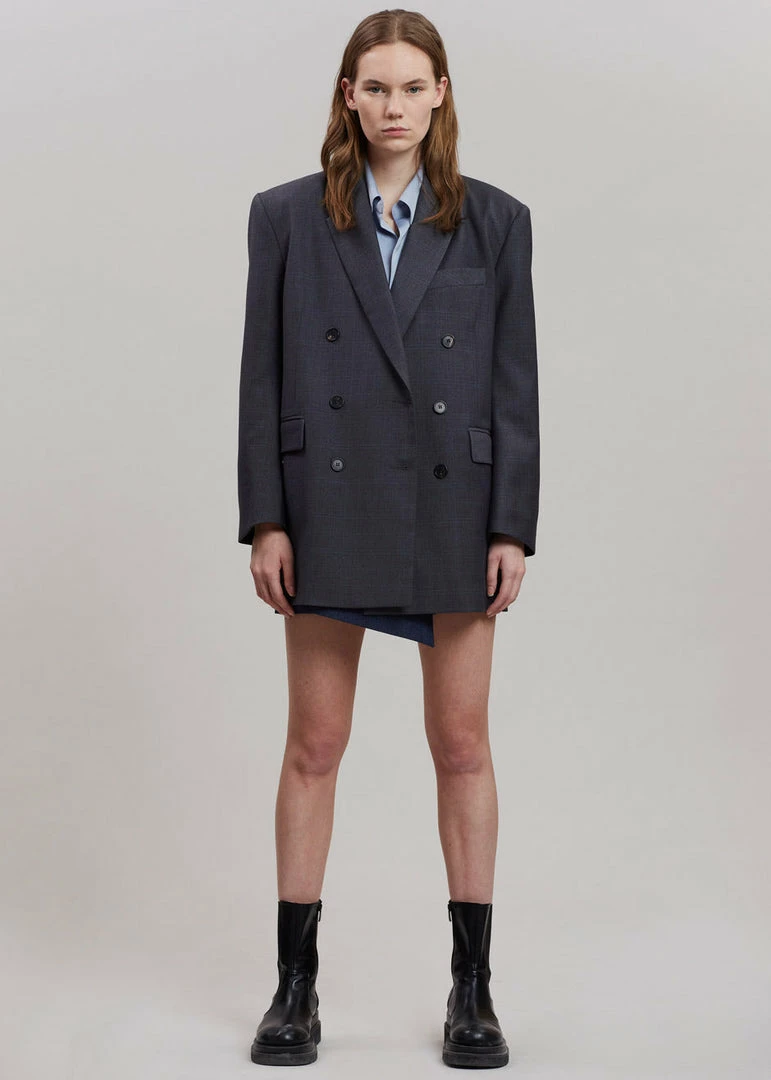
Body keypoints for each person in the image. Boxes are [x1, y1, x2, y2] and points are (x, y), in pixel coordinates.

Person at [237, 8, 539, 1069]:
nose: (394, 106)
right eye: (375, 88)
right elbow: (262, 375)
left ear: (440, 93)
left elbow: (513, 385)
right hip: (327, 503)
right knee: (314, 747)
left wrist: (511, 526)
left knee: (462, 746)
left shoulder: (496, 221)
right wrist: (266, 517)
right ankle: (294, 988)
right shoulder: (286, 216)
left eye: (412, 87)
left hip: (457, 504)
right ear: (348, 97)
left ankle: (472, 990)